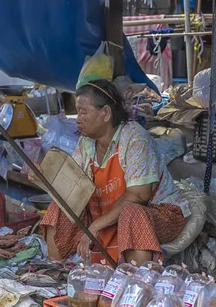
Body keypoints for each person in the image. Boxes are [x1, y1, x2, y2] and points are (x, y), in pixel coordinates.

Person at [33, 79, 187, 265]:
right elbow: (73, 190)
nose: (78, 119)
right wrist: (44, 178)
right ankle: (57, 267)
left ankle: (135, 280)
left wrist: (95, 226)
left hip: (157, 213)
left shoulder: (134, 137)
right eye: (77, 112)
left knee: (132, 213)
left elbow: (139, 195)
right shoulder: (86, 143)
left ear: (105, 113)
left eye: (83, 112)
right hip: (106, 213)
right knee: (59, 206)